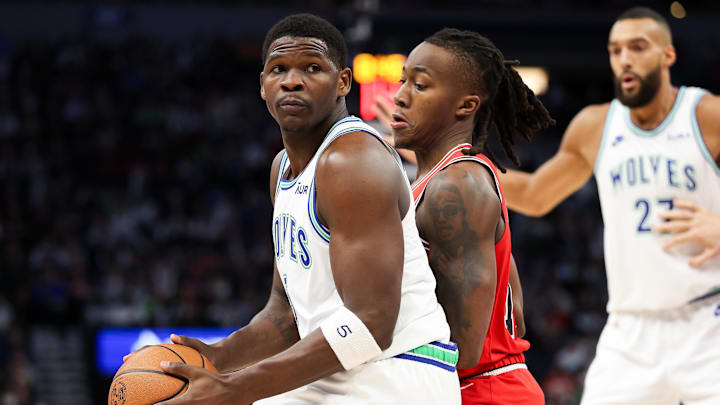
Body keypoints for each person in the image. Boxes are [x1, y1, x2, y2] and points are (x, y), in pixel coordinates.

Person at [126, 13, 461, 405]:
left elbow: (371, 326)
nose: (292, 80)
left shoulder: (353, 160)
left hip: (399, 371)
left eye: (312, 68)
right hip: (340, 369)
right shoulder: (282, 169)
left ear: (343, 83)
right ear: (263, 87)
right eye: (278, 69)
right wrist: (216, 358)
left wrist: (234, 388)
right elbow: (285, 317)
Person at [498, 7, 720, 405]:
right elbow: (534, 194)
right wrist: (452, 161)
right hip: (629, 331)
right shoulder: (596, 126)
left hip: (708, 323)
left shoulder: (706, 116)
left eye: (638, 47)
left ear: (668, 55)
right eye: (616, 50)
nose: (625, 59)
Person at [387, 28, 554, 404]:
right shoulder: (442, 180)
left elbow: (466, 348)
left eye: (421, 85)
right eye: (403, 81)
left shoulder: (456, 186)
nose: (399, 95)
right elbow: (515, 312)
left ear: (465, 106)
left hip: (480, 391)